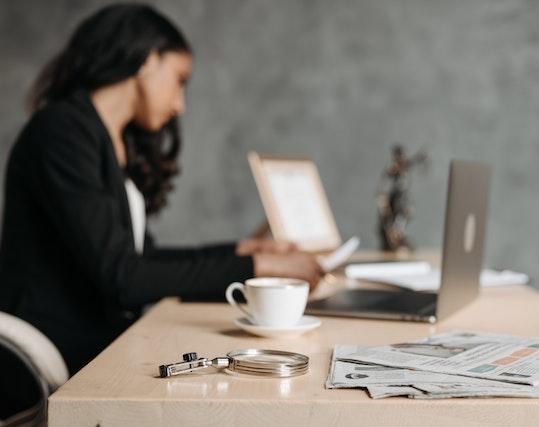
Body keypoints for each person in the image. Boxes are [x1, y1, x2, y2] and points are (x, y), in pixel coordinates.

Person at [0, 3, 323, 375]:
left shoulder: (107, 138)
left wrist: (240, 251)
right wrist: (256, 266)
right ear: (147, 61)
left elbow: (140, 257)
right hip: (58, 352)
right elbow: (124, 276)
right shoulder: (61, 133)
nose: (180, 105)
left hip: (102, 339)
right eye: (180, 79)